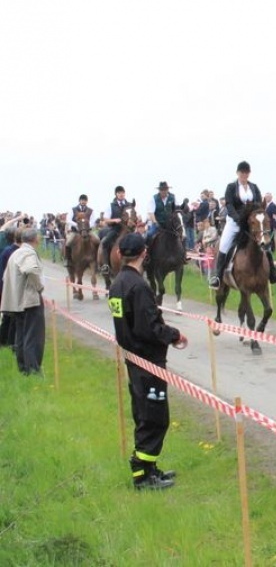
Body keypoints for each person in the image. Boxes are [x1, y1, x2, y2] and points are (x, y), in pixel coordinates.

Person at [108, 233, 187, 490]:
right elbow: (149, 327)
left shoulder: (117, 283)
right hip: (147, 361)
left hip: (134, 358)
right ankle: (142, 476)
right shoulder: (139, 287)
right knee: (155, 418)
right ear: (144, 253)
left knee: (145, 413)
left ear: (120, 254)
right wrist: (174, 335)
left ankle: (149, 468)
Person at [208, 161, 276, 289]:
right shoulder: (231, 187)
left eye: (246, 173)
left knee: (264, 242)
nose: (244, 175)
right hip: (234, 222)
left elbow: (258, 204)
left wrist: (254, 217)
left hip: (251, 223)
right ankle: (218, 277)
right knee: (223, 245)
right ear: (238, 173)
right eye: (242, 173)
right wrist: (237, 218)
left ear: (249, 173)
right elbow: (229, 204)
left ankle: (274, 274)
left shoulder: (254, 187)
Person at [1, 228, 45, 375]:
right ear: (36, 239)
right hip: (29, 301)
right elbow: (31, 270)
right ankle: (32, 369)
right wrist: (39, 287)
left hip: (17, 302)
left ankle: (23, 368)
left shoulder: (16, 253)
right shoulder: (28, 253)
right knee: (33, 336)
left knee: (21, 336)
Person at [100, 185, 129, 275]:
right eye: (119, 193)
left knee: (140, 239)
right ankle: (105, 266)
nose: (121, 194)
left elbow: (134, 215)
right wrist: (114, 220)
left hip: (128, 229)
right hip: (115, 229)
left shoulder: (129, 205)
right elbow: (105, 219)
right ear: (116, 194)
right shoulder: (111, 206)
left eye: (122, 193)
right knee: (105, 242)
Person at [64, 194, 99, 267]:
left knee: (97, 240)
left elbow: (93, 220)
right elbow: (68, 220)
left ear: (87, 201)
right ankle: (67, 259)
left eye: (85, 200)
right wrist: (76, 225)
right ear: (79, 201)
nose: (83, 201)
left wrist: (87, 226)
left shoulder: (90, 210)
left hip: (87, 230)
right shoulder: (73, 209)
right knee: (68, 242)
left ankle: (97, 259)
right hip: (75, 231)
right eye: (82, 200)